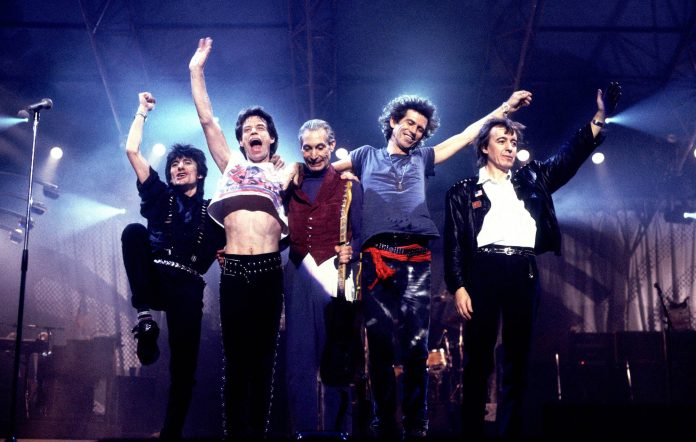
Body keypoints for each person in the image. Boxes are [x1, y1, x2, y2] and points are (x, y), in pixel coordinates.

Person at [332, 91, 532, 438]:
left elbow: (466, 135)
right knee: (379, 345)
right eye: (409, 122)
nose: (414, 130)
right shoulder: (365, 156)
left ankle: (416, 426)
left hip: (415, 258)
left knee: (415, 347)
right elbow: (322, 173)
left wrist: (504, 109)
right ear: (393, 122)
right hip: (376, 257)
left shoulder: (422, 158)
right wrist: (292, 169)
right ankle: (384, 424)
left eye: (421, 128)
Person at [444, 83, 621, 438]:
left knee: (518, 361)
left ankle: (511, 432)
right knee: (478, 361)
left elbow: (569, 157)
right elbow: (454, 244)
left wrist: (599, 117)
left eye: (513, 142)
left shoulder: (532, 178)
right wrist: (459, 286)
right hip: (484, 271)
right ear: (484, 147)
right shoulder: (463, 192)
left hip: (523, 271)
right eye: (502, 141)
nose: (510, 147)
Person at [189, 37, 293, 439]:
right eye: (248, 129)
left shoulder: (286, 170)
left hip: (269, 269)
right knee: (235, 360)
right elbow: (207, 119)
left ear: (270, 139)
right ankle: (235, 435)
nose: (254, 132)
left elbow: (321, 172)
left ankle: (258, 435)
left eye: (260, 129)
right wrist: (196, 70)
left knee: (264, 360)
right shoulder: (229, 163)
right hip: (233, 269)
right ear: (242, 141)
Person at [121, 91, 225, 439]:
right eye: (174, 164)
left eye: (186, 163)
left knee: (184, 368)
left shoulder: (214, 210)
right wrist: (142, 112)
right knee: (133, 231)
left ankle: (171, 433)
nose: (178, 167)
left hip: (187, 288)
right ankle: (145, 319)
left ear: (200, 172)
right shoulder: (160, 196)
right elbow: (132, 151)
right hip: (154, 277)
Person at [284, 119, 363, 436]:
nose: (314, 154)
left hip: (338, 274)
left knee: (337, 359)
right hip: (299, 272)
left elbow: (362, 232)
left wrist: (352, 250)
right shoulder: (290, 182)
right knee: (299, 362)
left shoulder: (349, 184)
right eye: (307, 147)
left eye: (320, 147)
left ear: (332, 146)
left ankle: (339, 432)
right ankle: (302, 432)